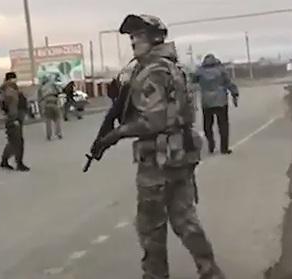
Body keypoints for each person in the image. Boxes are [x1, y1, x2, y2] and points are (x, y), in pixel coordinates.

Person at [89, 14, 225, 279]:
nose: (133, 41)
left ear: (155, 38)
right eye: (131, 36)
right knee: (185, 219)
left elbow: (153, 120)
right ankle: (210, 271)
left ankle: (155, 275)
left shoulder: (152, 71)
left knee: (150, 225)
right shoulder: (174, 66)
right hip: (179, 154)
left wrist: (116, 134)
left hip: (158, 160)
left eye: (138, 35)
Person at [194, 54, 239, 154]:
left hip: (206, 102)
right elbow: (229, 83)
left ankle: (211, 143)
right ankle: (224, 148)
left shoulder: (200, 71)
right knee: (223, 125)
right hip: (221, 100)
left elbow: (192, 81)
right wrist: (234, 94)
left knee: (207, 125)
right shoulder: (221, 70)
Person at [0, 72, 30, 171]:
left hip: (14, 118)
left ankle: (4, 160)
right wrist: (14, 119)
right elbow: (10, 106)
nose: (16, 80)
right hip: (13, 119)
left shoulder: (10, 90)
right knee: (18, 142)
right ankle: (19, 163)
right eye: (14, 78)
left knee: (13, 142)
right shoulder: (9, 91)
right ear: (11, 79)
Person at [39, 74, 63, 141]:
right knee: (57, 119)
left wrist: (42, 110)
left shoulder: (41, 88)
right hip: (54, 102)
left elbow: (40, 99)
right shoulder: (53, 85)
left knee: (48, 121)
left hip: (46, 103)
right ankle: (59, 133)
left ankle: (49, 135)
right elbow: (59, 91)